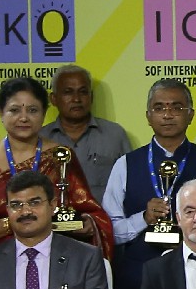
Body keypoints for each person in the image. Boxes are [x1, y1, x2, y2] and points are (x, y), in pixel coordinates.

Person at [104, 78, 196, 289]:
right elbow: (108, 231)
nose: (167, 115)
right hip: (138, 279)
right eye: (159, 108)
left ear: (191, 115)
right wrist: (143, 219)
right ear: (148, 116)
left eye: (176, 107)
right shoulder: (126, 164)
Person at [0, 76, 113, 257]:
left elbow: (89, 211)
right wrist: (19, 222)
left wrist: (89, 224)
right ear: (1, 113)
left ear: (44, 114)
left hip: (57, 256)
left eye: (33, 110)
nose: (24, 118)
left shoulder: (60, 156)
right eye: (14, 110)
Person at [40, 64, 131, 196]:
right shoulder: (41, 138)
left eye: (83, 92)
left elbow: (131, 183)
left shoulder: (114, 135)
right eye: (68, 92)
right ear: (53, 99)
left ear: (91, 97)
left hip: (104, 210)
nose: (76, 99)